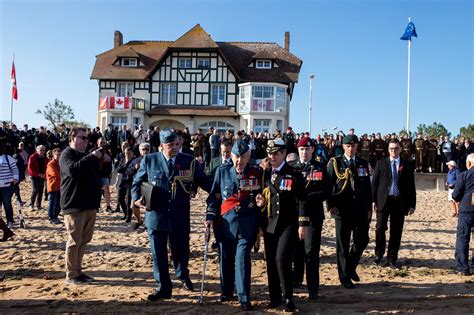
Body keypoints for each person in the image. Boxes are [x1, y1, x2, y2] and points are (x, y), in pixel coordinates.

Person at [131, 131, 211, 301]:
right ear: (161, 146)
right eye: (170, 145)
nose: (175, 148)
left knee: (181, 251)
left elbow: (203, 180)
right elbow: (136, 183)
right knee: (158, 254)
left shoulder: (188, 160)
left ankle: (183, 275)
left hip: (179, 215)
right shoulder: (149, 160)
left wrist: (216, 188)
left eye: (177, 145)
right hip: (156, 216)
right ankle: (163, 287)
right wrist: (136, 199)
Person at [206, 139, 261, 311]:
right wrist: (210, 217)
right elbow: (214, 199)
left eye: (243, 157)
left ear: (249, 156)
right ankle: (227, 291)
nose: (239, 160)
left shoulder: (256, 172)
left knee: (242, 257)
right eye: (237, 156)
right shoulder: (222, 172)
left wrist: (261, 202)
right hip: (226, 224)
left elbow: (261, 196)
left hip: (247, 224)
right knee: (226, 258)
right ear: (231, 155)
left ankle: (244, 296)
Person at [256, 138, 308, 312]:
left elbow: (302, 200)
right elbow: (260, 195)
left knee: (282, 259)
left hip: (288, 223)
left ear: (284, 153)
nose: (272, 156)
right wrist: (258, 201)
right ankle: (274, 297)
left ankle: (288, 297)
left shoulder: (294, 173)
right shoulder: (264, 173)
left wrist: (303, 224)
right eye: (269, 153)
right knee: (271, 261)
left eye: (276, 153)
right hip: (269, 223)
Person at [327, 135, 372, 289]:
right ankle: (344, 276)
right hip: (342, 209)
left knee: (363, 239)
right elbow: (329, 185)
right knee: (343, 244)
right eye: (348, 146)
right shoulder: (335, 163)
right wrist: (330, 205)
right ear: (343, 147)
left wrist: (369, 207)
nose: (351, 149)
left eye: (353, 146)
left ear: (357, 147)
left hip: (359, 208)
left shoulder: (363, 163)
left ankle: (351, 266)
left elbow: (367, 187)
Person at [60, 127, 103, 285]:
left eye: (87, 139)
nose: (86, 141)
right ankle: (71, 274)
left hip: (89, 204)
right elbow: (72, 170)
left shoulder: (85, 156)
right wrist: (91, 156)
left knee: (84, 240)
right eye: (82, 138)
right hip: (74, 205)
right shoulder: (66, 154)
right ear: (72, 139)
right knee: (74, 240)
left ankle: (78, 271)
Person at [292, 137, 331, 300]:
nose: (305, 152)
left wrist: (309, 197)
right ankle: (296, 280)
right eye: (301, 149)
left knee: (311, 252)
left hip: (314, 215)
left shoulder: (320, 167)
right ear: (298, 150)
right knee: (296, 250)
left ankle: (313, 288)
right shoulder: (292, 169)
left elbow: (328, 190)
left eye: (307, 149)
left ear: (312, 150)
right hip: (295, 215)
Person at [371, 139, 416, 268]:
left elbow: (411, 187)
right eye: (391, 148)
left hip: (399, 202)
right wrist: (373, 200)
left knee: (396, 231)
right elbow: (374, 183)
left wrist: (412, 205)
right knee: (380, 228)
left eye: (396, 148)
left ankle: (392, 258)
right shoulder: (381, 163)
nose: (393, 151)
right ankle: (378, 255)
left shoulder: (406, 165)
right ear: (388, 150)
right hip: (383, 201)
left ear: (400, 149)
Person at [452, 153, 474, 275]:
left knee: (462, 238)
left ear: (469, 163)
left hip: (466, 210)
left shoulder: (464, 175)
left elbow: (456, 195)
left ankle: (462, 267)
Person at [0, 143, 19, 229]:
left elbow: (15, 169)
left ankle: (10, 221)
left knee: (7, 204)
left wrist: (15, 178)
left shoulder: (8, 158)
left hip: (7, 185)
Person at [27, 145, 48, 211]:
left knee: (41, 191)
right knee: (35, 190)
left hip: (42, 176)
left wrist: (45, 174)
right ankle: (31, 204)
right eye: (40, 150)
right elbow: (30, 168)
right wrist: (38, 174)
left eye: (43, 150)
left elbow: (47, 167)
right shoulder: (32, 157)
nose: (42, 151)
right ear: (37, 150)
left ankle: (38, 205)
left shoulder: (45, 158)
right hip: (34, 176)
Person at [46, 148, 62, 224]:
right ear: (53, 155)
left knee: (59, 203)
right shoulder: (51, 164)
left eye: (60, 154)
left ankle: (55, 216)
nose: (59, 156)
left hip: (60, 186)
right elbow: (55, 174)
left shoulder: (61, 163)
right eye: (57, 155)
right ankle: (51, 217)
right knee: (52, 203)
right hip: (53, 187)